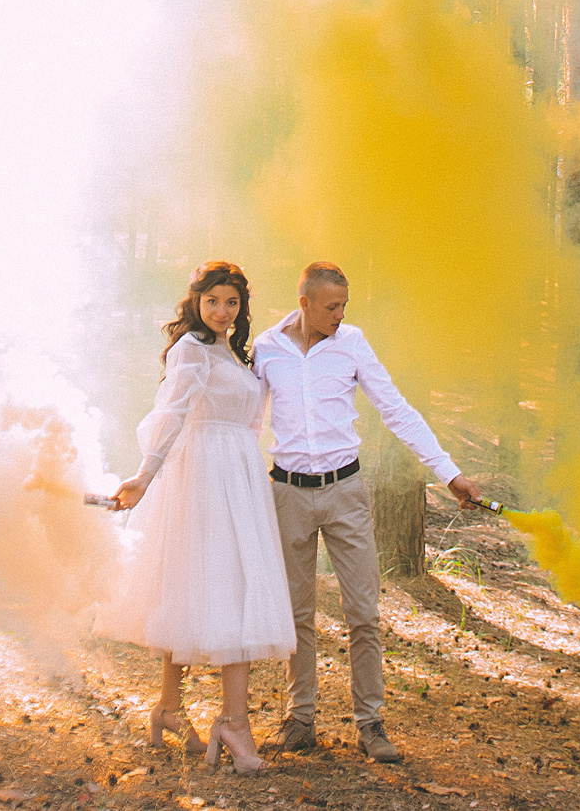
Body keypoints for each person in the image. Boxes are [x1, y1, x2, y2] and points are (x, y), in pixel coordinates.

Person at [251, 261, 483, 763]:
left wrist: (449, 474)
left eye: (344, 306)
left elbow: (397, 410)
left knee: (363, 612)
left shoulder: (352, 343)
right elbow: (249, 424)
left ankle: (371, 724)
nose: (340, 315)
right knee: (297, 613)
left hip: (345, 491)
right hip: (287, 493)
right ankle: (300, 720)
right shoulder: (266, 349)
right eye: (331, 306)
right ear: (305, 303)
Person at [108, 261, 294, 774]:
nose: (221, 311)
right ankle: (232, 722)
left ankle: (172, 708)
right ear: (196, 301)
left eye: (231, 302)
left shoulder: (234, 353)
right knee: (216, 587)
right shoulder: (190, 348)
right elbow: (172, 412)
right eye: (212, 301)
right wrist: (144, 476)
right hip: (204, 478)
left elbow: (250, 420)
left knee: (218, 588)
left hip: (240, 477)